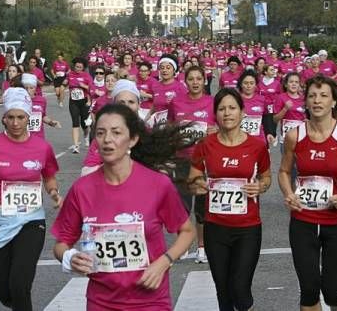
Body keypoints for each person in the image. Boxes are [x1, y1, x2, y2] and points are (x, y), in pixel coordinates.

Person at [52, 103, 196, 311]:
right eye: (100, 133)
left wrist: (164, 262)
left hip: (150, 301)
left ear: (133, 139)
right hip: (101, 302)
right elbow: (61, 243)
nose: (107, 139)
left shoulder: (157, 184)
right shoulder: (81, 189)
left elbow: (187, 231)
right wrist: (69, 257)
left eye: (116, 132)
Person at [279, 75, 337, 311]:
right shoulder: (295, 136)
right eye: (312, 96)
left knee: (332, 293)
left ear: (333, 102)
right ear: (306, 102)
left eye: (323, 96)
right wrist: (289, 193)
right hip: (303, 220)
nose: (317, 100)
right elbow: (283, 171)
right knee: (309, 290)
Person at [0, 87, 61, 311]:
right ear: (4, 118)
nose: (16, 122)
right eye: (11, 117)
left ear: (29, 117)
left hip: (31, 221)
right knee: (4, 289)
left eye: (21, 117)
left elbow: (49, 177)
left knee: (20, 283)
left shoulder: (42, 147)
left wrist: (54, 193)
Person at [187, 87, 271, 311]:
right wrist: (198, 185)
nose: (227, 113)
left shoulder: (257, 146)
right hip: (215, 228)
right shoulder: (206, 145)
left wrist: (260, 186)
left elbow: (266, 177)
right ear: (216, 114)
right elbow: (193, 176)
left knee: (240, 288)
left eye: (232, 108)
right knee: (223, 292)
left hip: (248, 228)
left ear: (242, 112)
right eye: (222, 109)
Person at [168, 66, 217, 264]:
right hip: (182, 160)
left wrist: (215, 131)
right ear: (185, 81)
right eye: (191, 79)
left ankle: (202, 247)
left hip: (205, 161)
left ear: (204, 81)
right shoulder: (177, 102)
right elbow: (170, 128)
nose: (195, 82)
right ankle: (183, 244)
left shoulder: (212, 103)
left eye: (199, 79)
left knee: (202, 207)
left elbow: (224, 126)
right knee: (181, 205)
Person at [147, 55, 188, 126]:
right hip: (158, 125)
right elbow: (155, 105)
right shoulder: (155, 85)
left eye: (168, 68)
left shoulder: (180, 87)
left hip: (174, 127)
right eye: (162, 68)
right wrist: (146, 119)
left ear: (174, 70)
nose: (164, 70)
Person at [20, 73, 61, 139]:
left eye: (31, 88)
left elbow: (43, 116)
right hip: (22, 136)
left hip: (38, 136)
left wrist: (51, 122)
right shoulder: (18, 100)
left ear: (35, 88)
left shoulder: (41, 100)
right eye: (26, 88)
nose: (28, 90)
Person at [64, 57, 93, 153]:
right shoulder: (70, 74)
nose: (78, 69)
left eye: (80, 67)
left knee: (84, 124)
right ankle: (76, 145)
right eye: (77, 67)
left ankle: (86, 136)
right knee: (75, 122)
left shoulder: (87, 76)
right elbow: (65, 83)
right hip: (73, 102)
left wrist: (83, 85)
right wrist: (64, 82)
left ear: (83, 68)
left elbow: (91, 89)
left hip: (84, 102)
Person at [237, 71, 273, 145]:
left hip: (259, 140)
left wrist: (269, 132)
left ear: (256, 85)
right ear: (241, 84)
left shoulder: (262, 99)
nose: (248, 86)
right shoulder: (235, 99)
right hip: (239, 139)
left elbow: (267, 117)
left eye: (251, 83)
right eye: (246, 83)